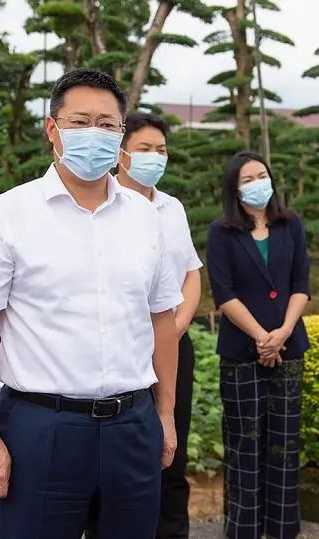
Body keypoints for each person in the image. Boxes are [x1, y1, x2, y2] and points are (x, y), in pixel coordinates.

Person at [0, 68, 183, 539]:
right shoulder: (7, 216)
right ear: (52, 129)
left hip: (132, 424)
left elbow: (162, 319)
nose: (93, 134)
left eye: (107, 124)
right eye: (80, 122)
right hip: (42, 429)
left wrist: (164, 415)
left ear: (121, 136)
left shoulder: (147, 218)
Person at [206, 151, 310, 539]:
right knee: (244, 444)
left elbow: (301, 284)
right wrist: (260, 337)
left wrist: (282, 332)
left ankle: (283, 527)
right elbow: (224, 293)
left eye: (261, 175)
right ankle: (243, 529)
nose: (257, 184)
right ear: (235, 188)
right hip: (241, 352)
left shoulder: (290, 225)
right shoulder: (222, 232)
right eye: (247, 179)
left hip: (289, 346)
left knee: (284, 442)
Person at [115, 112, 202, 539]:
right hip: (122, 348)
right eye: (145, 149)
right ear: (121, 152)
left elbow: (191, 273)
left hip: (173, 344)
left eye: (161, 150)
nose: (155, 157)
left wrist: (177, 326)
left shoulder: (172, 207)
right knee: (119, 453)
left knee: (172, 448)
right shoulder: (104, 204)